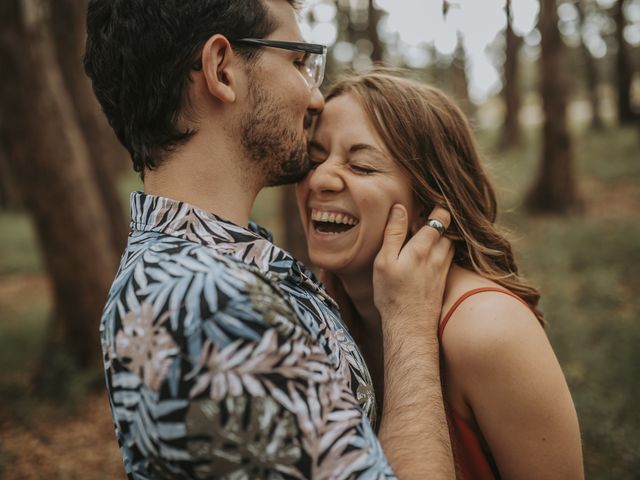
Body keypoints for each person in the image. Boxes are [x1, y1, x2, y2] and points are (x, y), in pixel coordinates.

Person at [84, 1, 456, 478]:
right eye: (299, 61)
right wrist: (408, 324)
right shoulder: (214, 307)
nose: (316, 97)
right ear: (221, 70)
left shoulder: (192, 267)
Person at [295, 71, 585, 479]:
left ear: (430, 201)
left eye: (361, 166)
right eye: (314, 159)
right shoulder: (310, 311)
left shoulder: (487, 328)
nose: (320, 179)